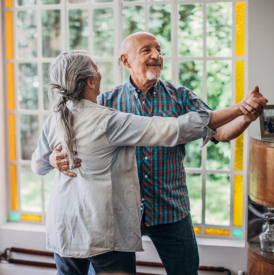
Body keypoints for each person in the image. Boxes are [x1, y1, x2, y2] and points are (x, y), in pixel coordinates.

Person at [48, 33, 268, 275]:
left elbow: (222, 133)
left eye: (159, 50)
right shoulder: (105, 103)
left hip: (170, 209)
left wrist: (246, 116)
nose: (157, 55)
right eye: (146, 50)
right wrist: (52, 158)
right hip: (119, 213)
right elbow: (72, 144)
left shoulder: (180, 96)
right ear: (126, 60)